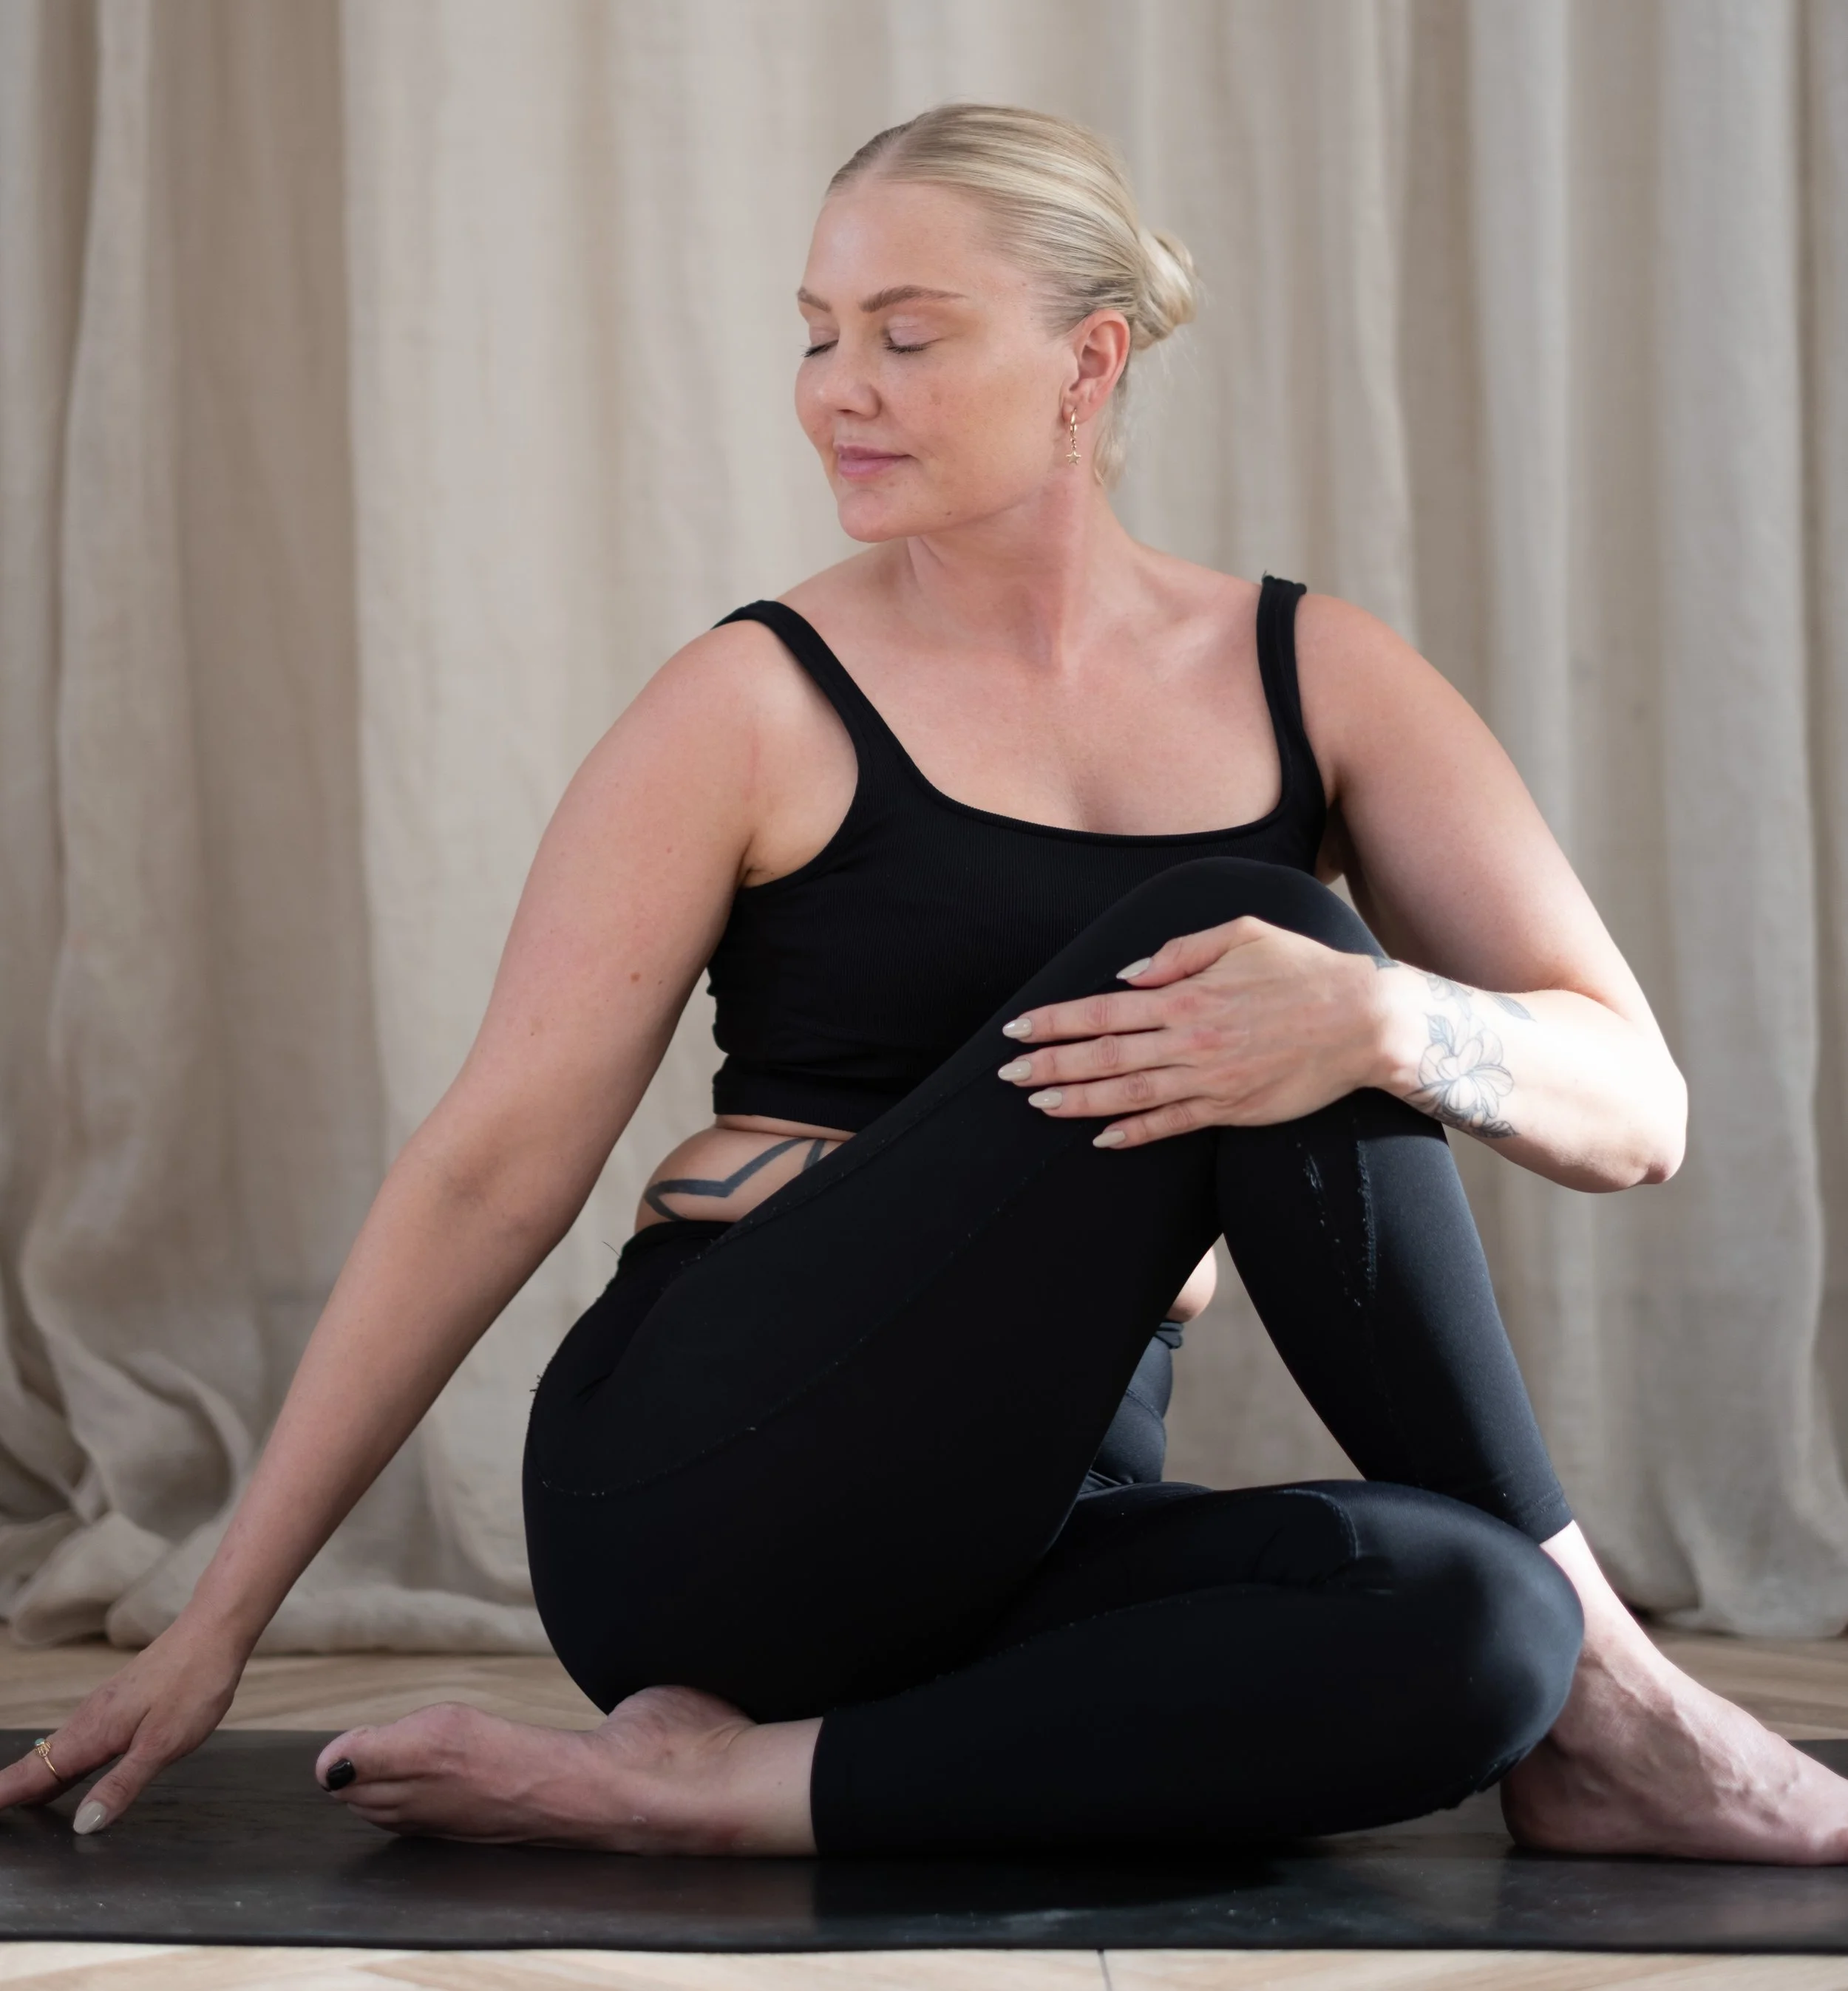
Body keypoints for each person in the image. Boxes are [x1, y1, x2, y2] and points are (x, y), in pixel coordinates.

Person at [5, 103, 1846, 1864]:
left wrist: (1382, 1024)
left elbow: (1634, 1111)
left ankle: (716, 1794)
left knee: (1479, 1619)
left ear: (1087, 363)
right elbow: (488, 1171)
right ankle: (1628, 1702)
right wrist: (214, 1622)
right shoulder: (749, 702)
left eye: (904, 335)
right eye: (817, 334)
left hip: (1035, 1527)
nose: (837, 389)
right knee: (1233, 929)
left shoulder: (1318, 675)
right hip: (715, 1491)